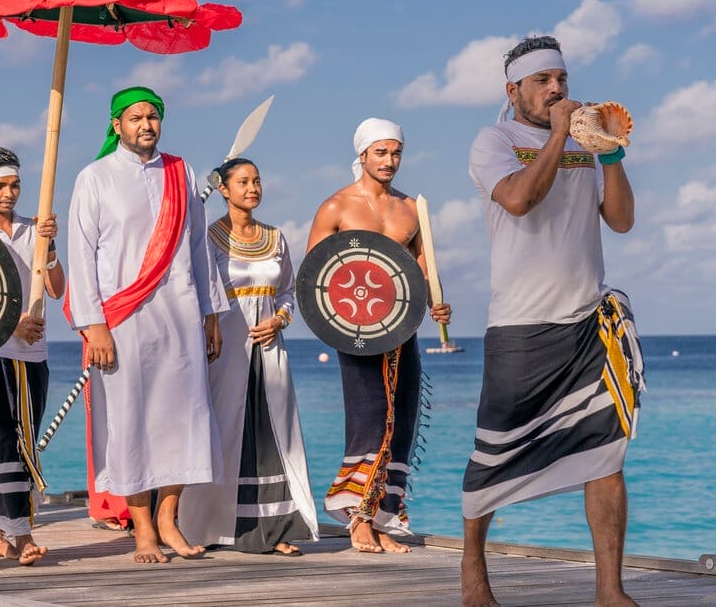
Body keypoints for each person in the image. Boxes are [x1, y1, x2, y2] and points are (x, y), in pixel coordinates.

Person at [462, 36, 640, 607]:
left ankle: (610, 591)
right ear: (513, 90)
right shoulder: (494, 141)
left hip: (587, 323)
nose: (557, 89)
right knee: (493, 455)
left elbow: (621, 220)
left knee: (606, 454)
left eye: (561, 78)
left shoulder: (585, 144)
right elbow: (518, 200)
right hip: (519, 326)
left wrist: (608, 153)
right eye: (543, 81)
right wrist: (561, 134)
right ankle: (473, 574)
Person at [65, 86, 228, 564]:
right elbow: (81, 255)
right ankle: (141, 530)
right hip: (122, 322)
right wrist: (94, 325)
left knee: (184, 417)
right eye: (135, 118)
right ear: (116, 125)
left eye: (153, 117)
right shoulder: (94, 177)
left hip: (179, 313)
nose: (146, 125)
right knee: (130, 419)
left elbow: (199, 248)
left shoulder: (181, 172)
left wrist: (211, 313)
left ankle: (168, 518)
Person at [306, 117, 452, 554]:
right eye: (381, 153)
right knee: (369, 419)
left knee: (402, 417)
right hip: (356, 330)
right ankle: (358, 519)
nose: (390, 161)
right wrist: (334, 325)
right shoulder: (337, 207)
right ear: (363, 155)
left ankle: (386, 515)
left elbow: (422, 271)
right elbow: (316, 274)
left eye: (396, 153)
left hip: (402, 328)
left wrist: (435, 303)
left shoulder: (412, 209)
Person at [180, 158, 318, 556]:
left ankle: (275, 531)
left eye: (256, 180)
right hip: (224, 351)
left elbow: (290, 290)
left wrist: (279, 319)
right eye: (242, 182)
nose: (252, 188)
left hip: (271, 351)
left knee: (274, 433)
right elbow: (200, 289)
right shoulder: (208, 237)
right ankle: (206, 525)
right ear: (223, 189)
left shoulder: (276, 238)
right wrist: (211, 325)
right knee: (225, 431)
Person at [0, 146, 65, 565]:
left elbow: (58, 288)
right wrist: (12, 325)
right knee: (8, 440)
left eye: (14, 185)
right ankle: (23, 535)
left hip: (35, 350)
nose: (9, 193)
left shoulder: (34, 228)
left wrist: (51, 245)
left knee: (24, 440)